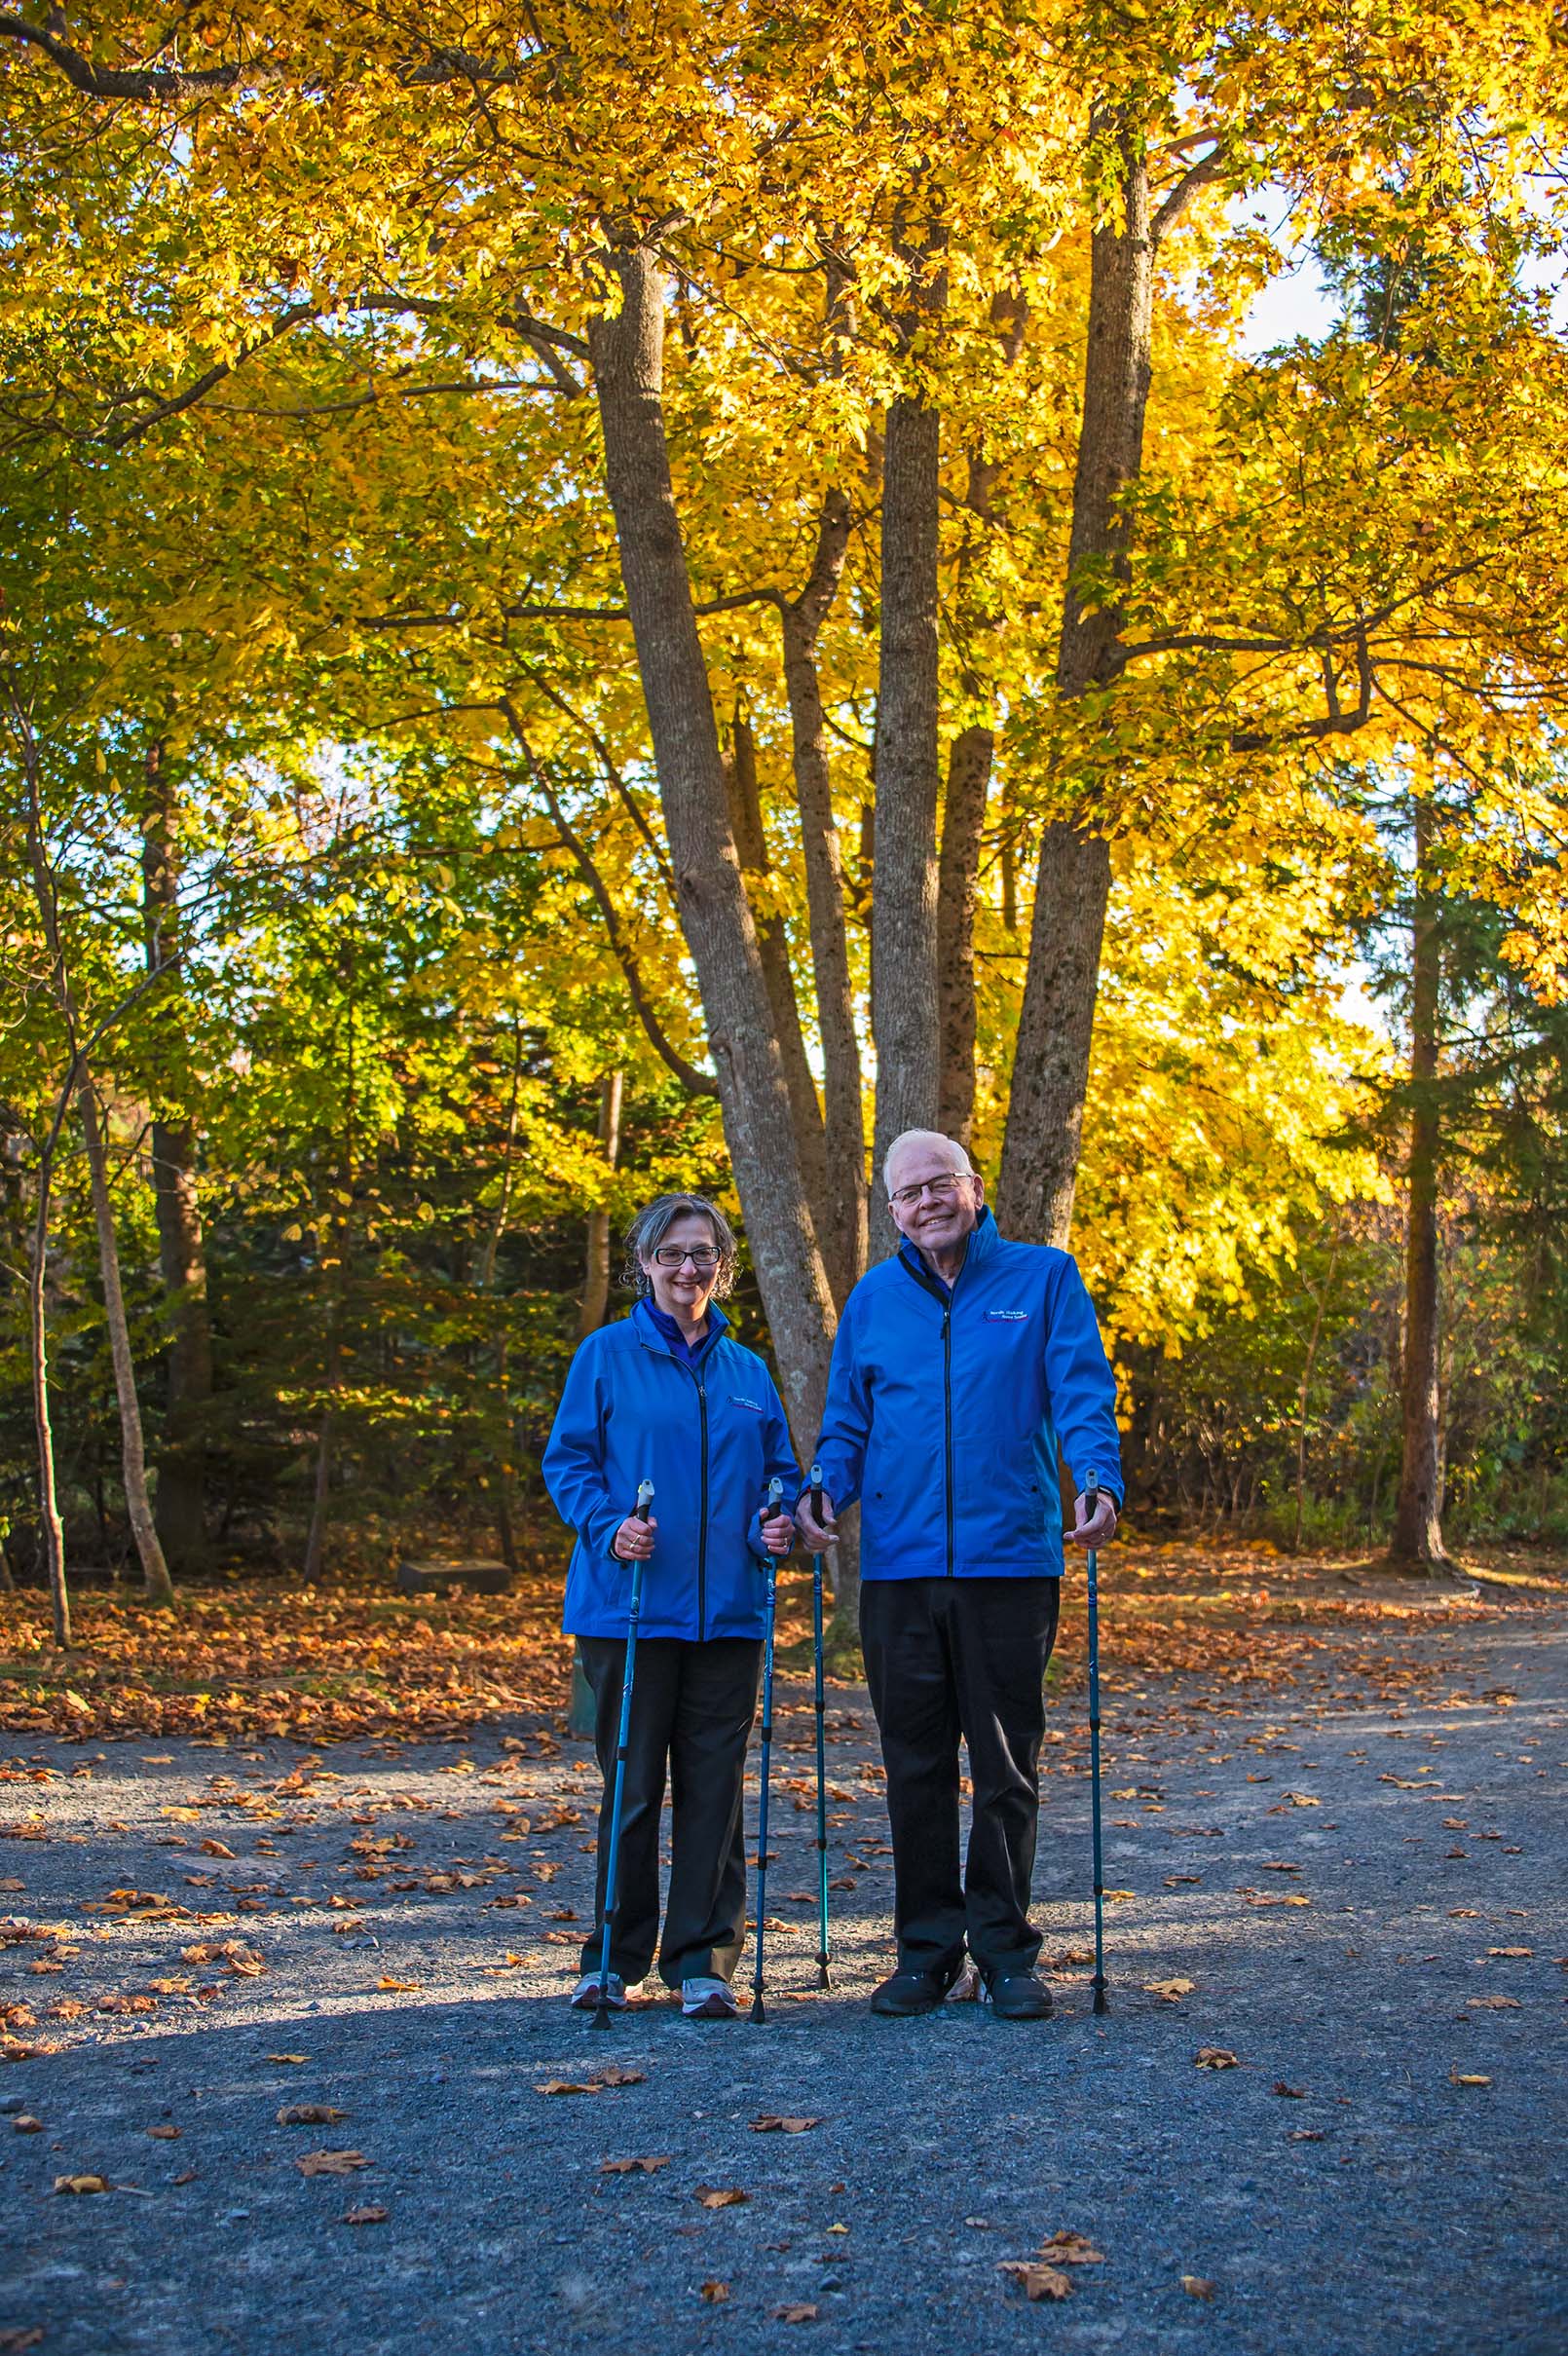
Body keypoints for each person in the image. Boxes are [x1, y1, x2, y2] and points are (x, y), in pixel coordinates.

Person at [795, 1129, 1122, 2020]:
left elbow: (1082, 1392)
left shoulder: (1043, 1279)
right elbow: (847, 1424)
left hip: (1008, 1559)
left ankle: (1006, 1952)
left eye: (940, 1183)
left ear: (974, 1188)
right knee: (915, 1765)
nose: (927, 1201)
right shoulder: (872, 1298)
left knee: (1006, 1764)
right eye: (908, 1193)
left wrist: (1097, 1478)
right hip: (898, 1569)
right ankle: (927, 1952)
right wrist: (824, 1489)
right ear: (891, 1211)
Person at [542, 1192, 798, 2020]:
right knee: (631, 1785)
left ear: (722, 1264)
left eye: (703, 1253)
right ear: (645, 1263)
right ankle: (612, 1957)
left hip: (728, 1614)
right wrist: (608, 1525)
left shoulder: (747, 1371)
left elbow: (780, 1476)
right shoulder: (605, 1355)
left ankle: (704, 1960)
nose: (688, 1268)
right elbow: (568, 1463)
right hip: (629, 1610)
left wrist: (777, 1521)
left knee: (714, 1789)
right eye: (672, 1253)